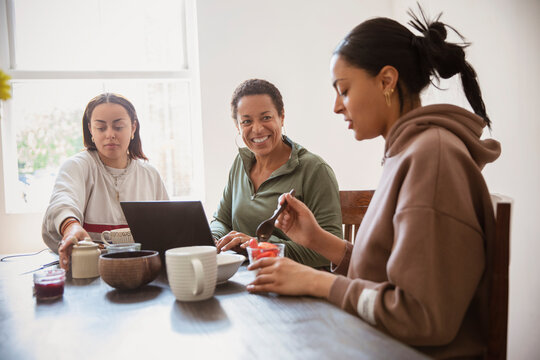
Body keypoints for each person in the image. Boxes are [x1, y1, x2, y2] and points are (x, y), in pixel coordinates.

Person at [247, 8, 501, 359]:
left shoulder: (433, 158)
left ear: (386, 81)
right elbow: (384, 274)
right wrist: (317, 239)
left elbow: (421, 316)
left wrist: (316, 280)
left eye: (344, 90)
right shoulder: (408, 152)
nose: (337, 106)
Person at [211, 79, 343, 268]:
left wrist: (259, 247)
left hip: (297, 286)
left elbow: (330, 253)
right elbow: (221, 220)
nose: (257, 129)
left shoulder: (315, 170)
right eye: (247, 121)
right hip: (245, 278)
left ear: (281, 117)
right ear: (237, 126)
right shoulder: (241, 163)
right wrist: (213, 239)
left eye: (266, 117)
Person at [42, 93, 169, 270]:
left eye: (118, 126)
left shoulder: (150, 174)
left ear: (133, 128)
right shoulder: (77, 166)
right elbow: (62, 201)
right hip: (88, 269)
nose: (110, 134)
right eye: (101, 128)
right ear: (90, 130)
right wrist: (71, 226)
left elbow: (167, 226)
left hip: (140, 269)